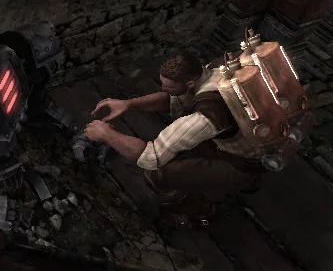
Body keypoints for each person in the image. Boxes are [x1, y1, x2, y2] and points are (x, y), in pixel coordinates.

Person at [80, 51, 266, 227]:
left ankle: (202, 213)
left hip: (241, 162)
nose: (163, 89)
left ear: (190, 83)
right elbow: (173, 101)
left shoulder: (208, 115)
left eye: (168, 86)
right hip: (238, 137)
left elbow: (151, 157)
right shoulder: (213, 70)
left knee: (157, 176)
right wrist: (128, 104)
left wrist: (106, 134)